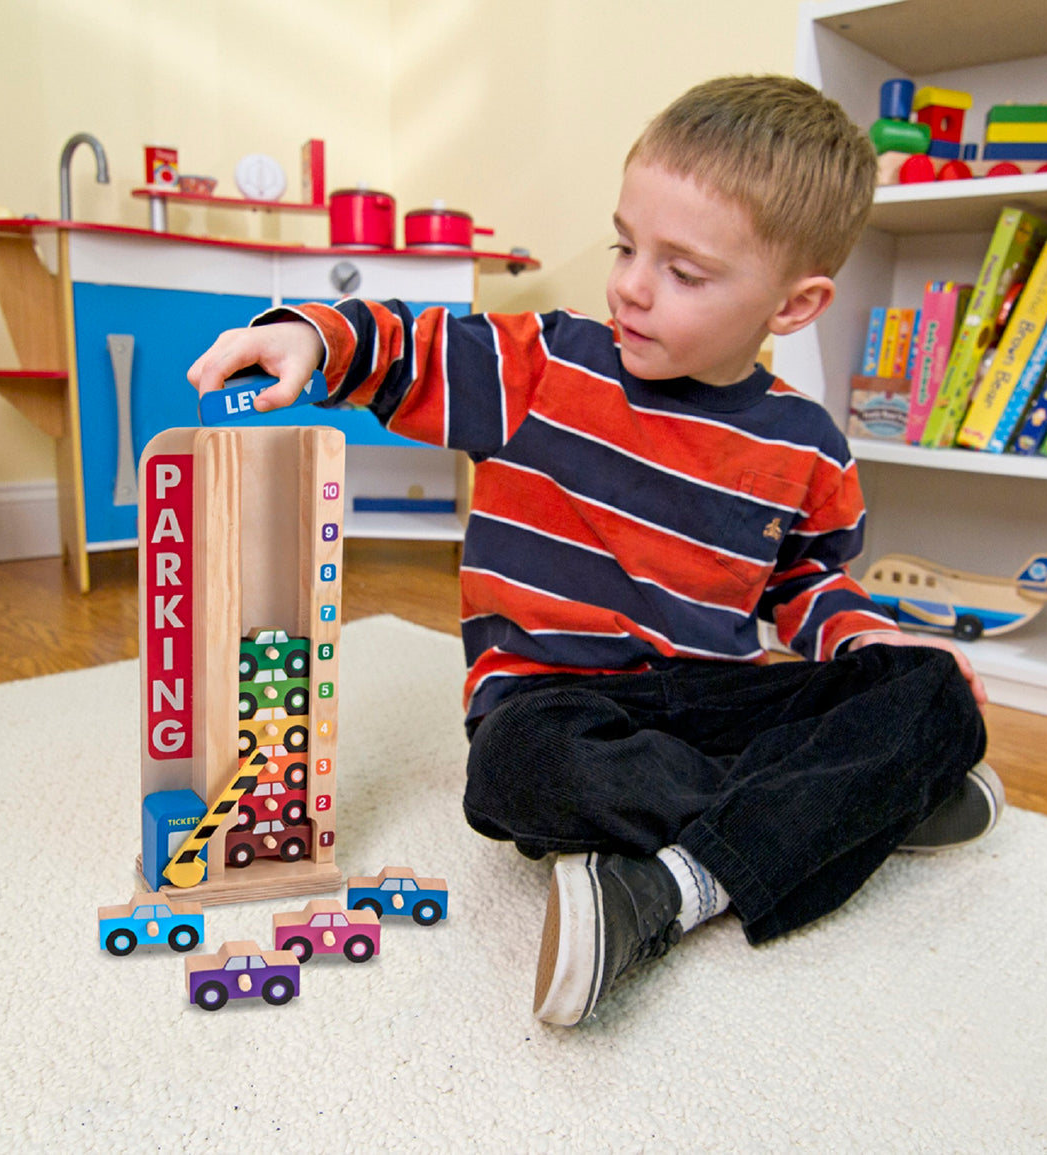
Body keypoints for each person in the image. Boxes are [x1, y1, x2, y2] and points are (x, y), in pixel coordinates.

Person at [189, 74, 1000, 1028]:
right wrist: (307, 337)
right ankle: (831, 811)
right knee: (514, 771)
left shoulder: (807, 444)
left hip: (706, 700)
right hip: (553, 695)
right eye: (626, 244)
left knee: (936, 691)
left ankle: (673, 882)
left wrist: (869, 645)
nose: (630, 284)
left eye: (684, 272)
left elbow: (810, 582)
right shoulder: (547, 365)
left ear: (793, 305)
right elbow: (409, 344)